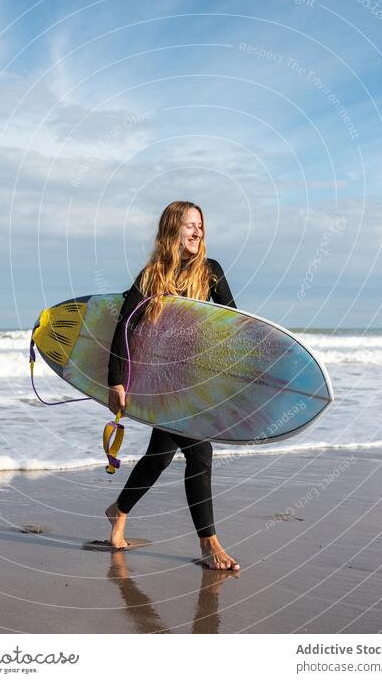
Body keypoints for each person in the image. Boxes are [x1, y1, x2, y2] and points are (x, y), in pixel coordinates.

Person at [105, 200, 240, 571]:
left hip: (193, 381)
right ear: (171, 230)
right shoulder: (153, 275)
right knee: (200, 454)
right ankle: (208, 543)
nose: (197, 232)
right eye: (189, 225)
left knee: (159, 456)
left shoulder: (210, 272)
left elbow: (231, 324)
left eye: (200, 225)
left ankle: (118, 511)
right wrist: (116, 380)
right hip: (159, 382)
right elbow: (125, 326)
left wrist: (233, 377)